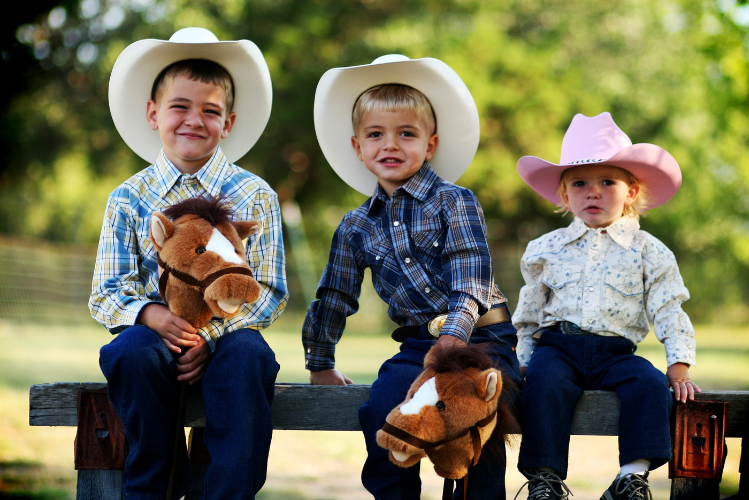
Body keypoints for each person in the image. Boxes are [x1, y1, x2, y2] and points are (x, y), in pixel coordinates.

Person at [304, 54, 522, 499]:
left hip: (482, 339)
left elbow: (471, 278)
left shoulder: (453, 201)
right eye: (376, 135)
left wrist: (455, 336)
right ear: (357, 146)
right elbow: (334, 296)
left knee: (477, 417)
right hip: (419, 346)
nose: (391, 144)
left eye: (407, 133)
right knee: (383, 409)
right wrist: (320, 361)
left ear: (431, 144)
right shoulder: (355, 226)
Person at [89, 27, 288, 499]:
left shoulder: (255, 196)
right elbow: (107, 290)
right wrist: (152, 316)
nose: (194, 120)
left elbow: (271, 291)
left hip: (227, 340)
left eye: (210, 111)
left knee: (251, 357)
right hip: (152, 344)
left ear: (229, 122)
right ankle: (153, 487)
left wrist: (210, 335)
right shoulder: (128, 198)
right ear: (154, 114)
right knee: (128, 351)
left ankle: (228, 492)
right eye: (180, 107)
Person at [512, 112, 700, 500]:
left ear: (631, 191)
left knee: (648, 385)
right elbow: (529, 314)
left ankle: (630, 478)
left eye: (607, 182)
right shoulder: (546, 249)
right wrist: (524, 359)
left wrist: (678, 367)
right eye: (579, 183)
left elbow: (668, 308)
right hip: (558, 347)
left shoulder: (650, 251)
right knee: (543, 386)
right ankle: (545, 480)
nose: (592, 192)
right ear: (564, 195)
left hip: (616, 353)